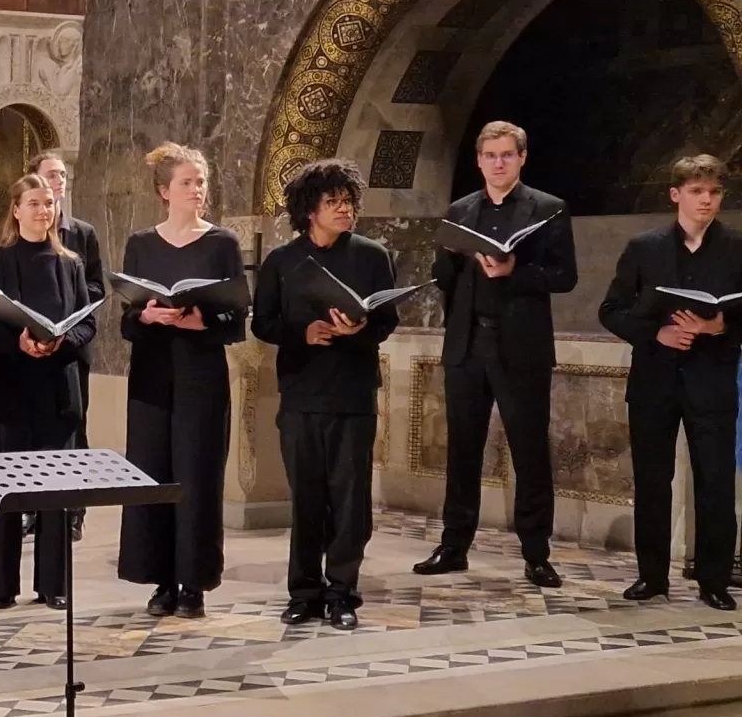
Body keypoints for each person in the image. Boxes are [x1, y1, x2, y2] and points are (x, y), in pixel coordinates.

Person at [415, 121, 576, 589]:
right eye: (490, 156)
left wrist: (514, 269)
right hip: (467, 344)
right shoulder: (461, 210)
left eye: (507, 155)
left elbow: (565, 276)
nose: (498, 163)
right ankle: (454, 546)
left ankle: (536, 554)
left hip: (520, 347)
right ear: (479, 161)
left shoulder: (547, 208)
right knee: (462, 449)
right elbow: (444, 279)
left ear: (522, 157)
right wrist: (448, 255)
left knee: (529, 450)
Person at [251, 158, 398, 632]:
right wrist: (304, 332)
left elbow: (387, 319)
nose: (344, 209)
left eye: (349, 201)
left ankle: (342, 594)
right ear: (309, 210)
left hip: (353, 393)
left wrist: (360, 328)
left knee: (351, 501)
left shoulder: (372, 256)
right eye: (333, 202)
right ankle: (304, 594)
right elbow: (263, 323)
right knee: (307, 499)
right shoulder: (282, 261)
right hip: (300, 394)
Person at [599, 154, 742, 611]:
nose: (707, 200)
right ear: (676, 194)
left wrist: (718, 326)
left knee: (715, 483)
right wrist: (656, 333)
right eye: (697, 191)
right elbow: (611, 311)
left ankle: (714, 580)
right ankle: (651, 577)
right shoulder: (645, 247)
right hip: (655, 380)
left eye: (714, 192)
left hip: (712, 381)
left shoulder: (737, 248)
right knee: (652, 481)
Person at [116, 144, 247, 620]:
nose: (197, 190)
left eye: (201, 182)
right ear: (164, 191)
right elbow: (126, 321)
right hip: (151, 377)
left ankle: (193, 583)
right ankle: (161, 581)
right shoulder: (140, 244)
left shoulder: (222, 244)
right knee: (153, 475)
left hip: (200, 376)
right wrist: (146, 316)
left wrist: (201, 322)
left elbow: (237, 320)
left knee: (197, 476)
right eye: (187, 182)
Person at [0, 174, 96, 610]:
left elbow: (87, 323)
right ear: (16, 210)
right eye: (35, 203)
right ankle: (2, 587)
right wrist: (18, 343)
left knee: (56, 490)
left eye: (49, 203)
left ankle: (53, 585)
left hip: (57, 387)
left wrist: (63, 340)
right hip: (9, 388)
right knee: (6, 488)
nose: (44, 210)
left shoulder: (71, 264)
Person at [29, 152, 106, 538]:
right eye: (51, 175)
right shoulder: (24, 231)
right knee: (35, 428)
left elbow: (96, 287)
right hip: (31, 345)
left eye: (62, 175)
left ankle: (74, 509)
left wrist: (68, 305)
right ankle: (35, 507)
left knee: (74, 428)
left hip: (72, 344)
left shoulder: (82, 233)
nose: (59, 181)